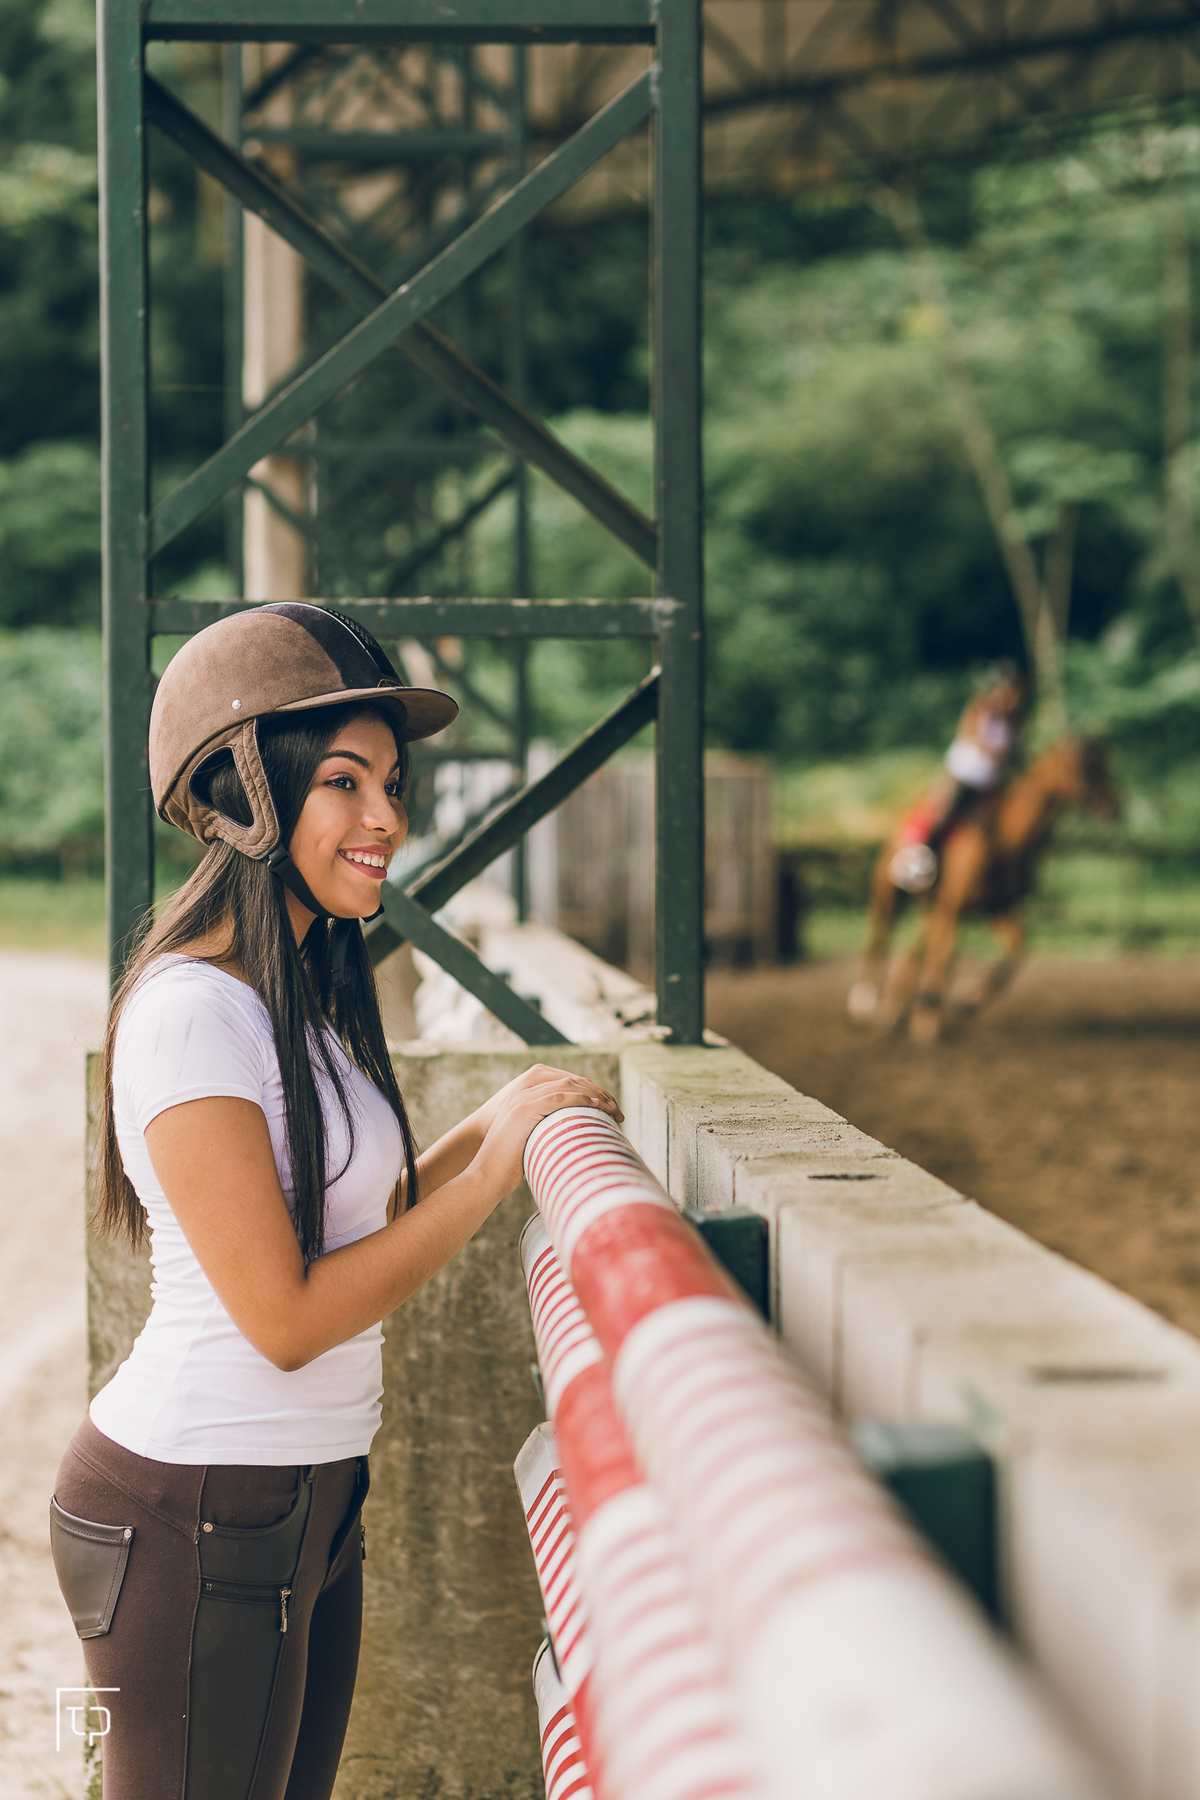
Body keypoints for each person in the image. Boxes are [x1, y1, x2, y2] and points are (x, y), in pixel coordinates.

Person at [49, 603, 620, 1800]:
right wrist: (502, 1165)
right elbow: (291, 1317)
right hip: (192, 1507)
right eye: (345, 783)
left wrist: (493, 1125)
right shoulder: (192, 1013)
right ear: (248, 795)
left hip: (309, 1492)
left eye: (394, 784)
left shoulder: (291, 992)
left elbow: (357, 1211)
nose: (386, 819)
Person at [888, 661, 1027, 894]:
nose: (1012, 696)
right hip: (964, 776)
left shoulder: (1016, 719)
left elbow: (1016, 752)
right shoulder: (979, 709)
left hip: (992, 783)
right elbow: (974, 738)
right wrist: (1000, 754)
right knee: (944, 813)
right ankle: (920, 857)